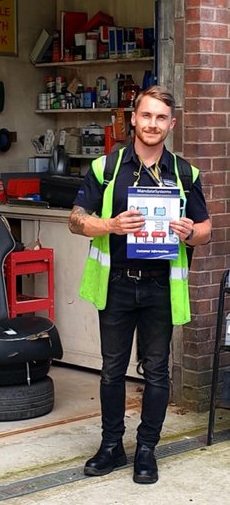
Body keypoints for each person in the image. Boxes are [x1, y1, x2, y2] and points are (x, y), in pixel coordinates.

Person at [68, 86, 211, 485]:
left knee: (157, 372)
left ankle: (147, 448)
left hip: (160, 287)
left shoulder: (184, 173)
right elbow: (76, 220)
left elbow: (206, 229)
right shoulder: (106, 168)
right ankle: (111, 445)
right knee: (112, 371)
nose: (152, 124)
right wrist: (110, 225)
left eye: (161, 117)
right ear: (133, 118)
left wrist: (188, 233)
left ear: (171, 124)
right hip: (115, 284)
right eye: (146, 116)